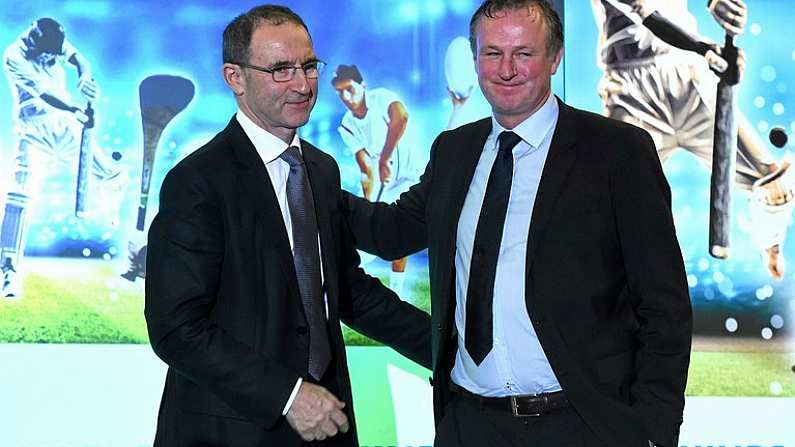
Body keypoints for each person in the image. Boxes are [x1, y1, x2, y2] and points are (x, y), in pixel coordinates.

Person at [343, 1, 692, 446]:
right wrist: (303, 175)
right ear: (475, 61)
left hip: (583, 427)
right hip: (469, 424)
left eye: (523, 53)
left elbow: (665, 307)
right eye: (492, 54)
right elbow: (389, 232)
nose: (507, 69)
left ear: (555, 57)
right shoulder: (454, 152)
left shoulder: (617, 152)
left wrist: (653, 432)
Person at [144, 5, 431, 446]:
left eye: (309, 66)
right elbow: (176, 328)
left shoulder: (320, 169)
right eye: (280, 69)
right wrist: (289, 396)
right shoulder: (197, 181)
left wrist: (450, 352)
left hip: (328, 427)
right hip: (231, 432)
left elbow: (343, 289)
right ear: (234, 77)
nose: (302, 84)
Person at [592, 0, 794, 279]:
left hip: (687, 76)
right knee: (610, 212)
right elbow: (646, 13)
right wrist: (708, 50)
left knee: (774, 186)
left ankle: (770, 244)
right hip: (632, 92)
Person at [1, 17, 119, 298]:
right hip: (33, 132)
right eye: (47, 53)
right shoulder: (13, 56)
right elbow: (43, 94)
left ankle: (109, 218)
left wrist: (84, 80)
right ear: (34, 39)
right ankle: (8, 271)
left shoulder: (55, 40)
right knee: (19, 196)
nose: (52, 57)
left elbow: (80, 60)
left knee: (110, 173)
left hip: (65, 130)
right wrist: (74, 109)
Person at [331, 65, 419, 298]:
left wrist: (385, 158)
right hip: (385, 182)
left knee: (402, 232)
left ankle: (396, 293)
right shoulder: (347, 124)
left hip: (413, 174)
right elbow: (364, 166)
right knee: (375, 238)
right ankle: (332, 291)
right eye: (340, 93)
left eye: (349, 89)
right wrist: (368, 203)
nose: (346, 97)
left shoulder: (380, 98)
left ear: (363, 86)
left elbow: (401, 117)